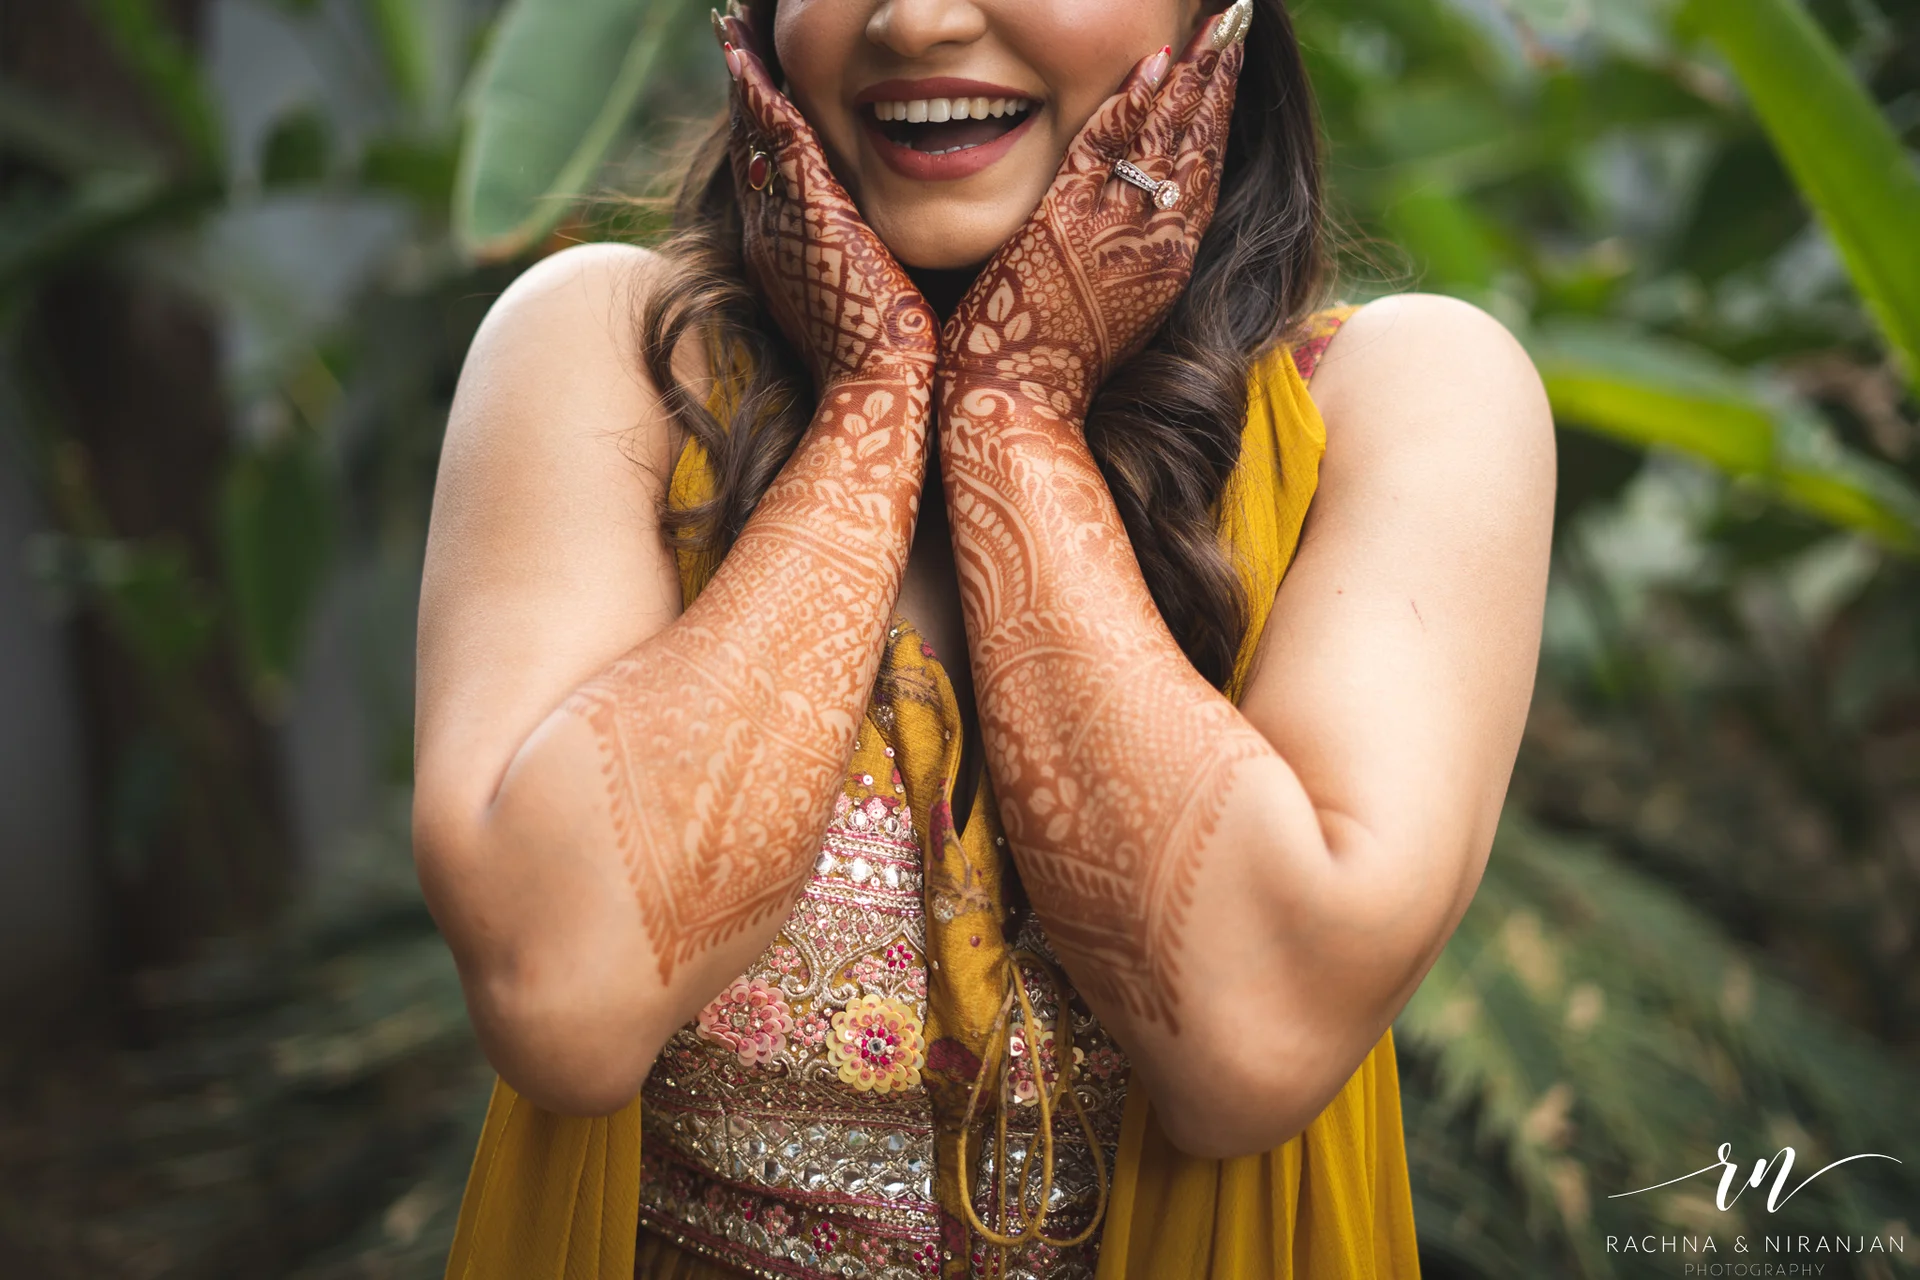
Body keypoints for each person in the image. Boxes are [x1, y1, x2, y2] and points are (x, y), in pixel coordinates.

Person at [414, 0, 1554, 1275]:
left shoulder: (1403, 405)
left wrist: (1013, 408)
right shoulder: (611, 358)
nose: (915, 20)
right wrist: (872, 406)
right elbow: (561, 998)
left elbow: (1254, 1038)